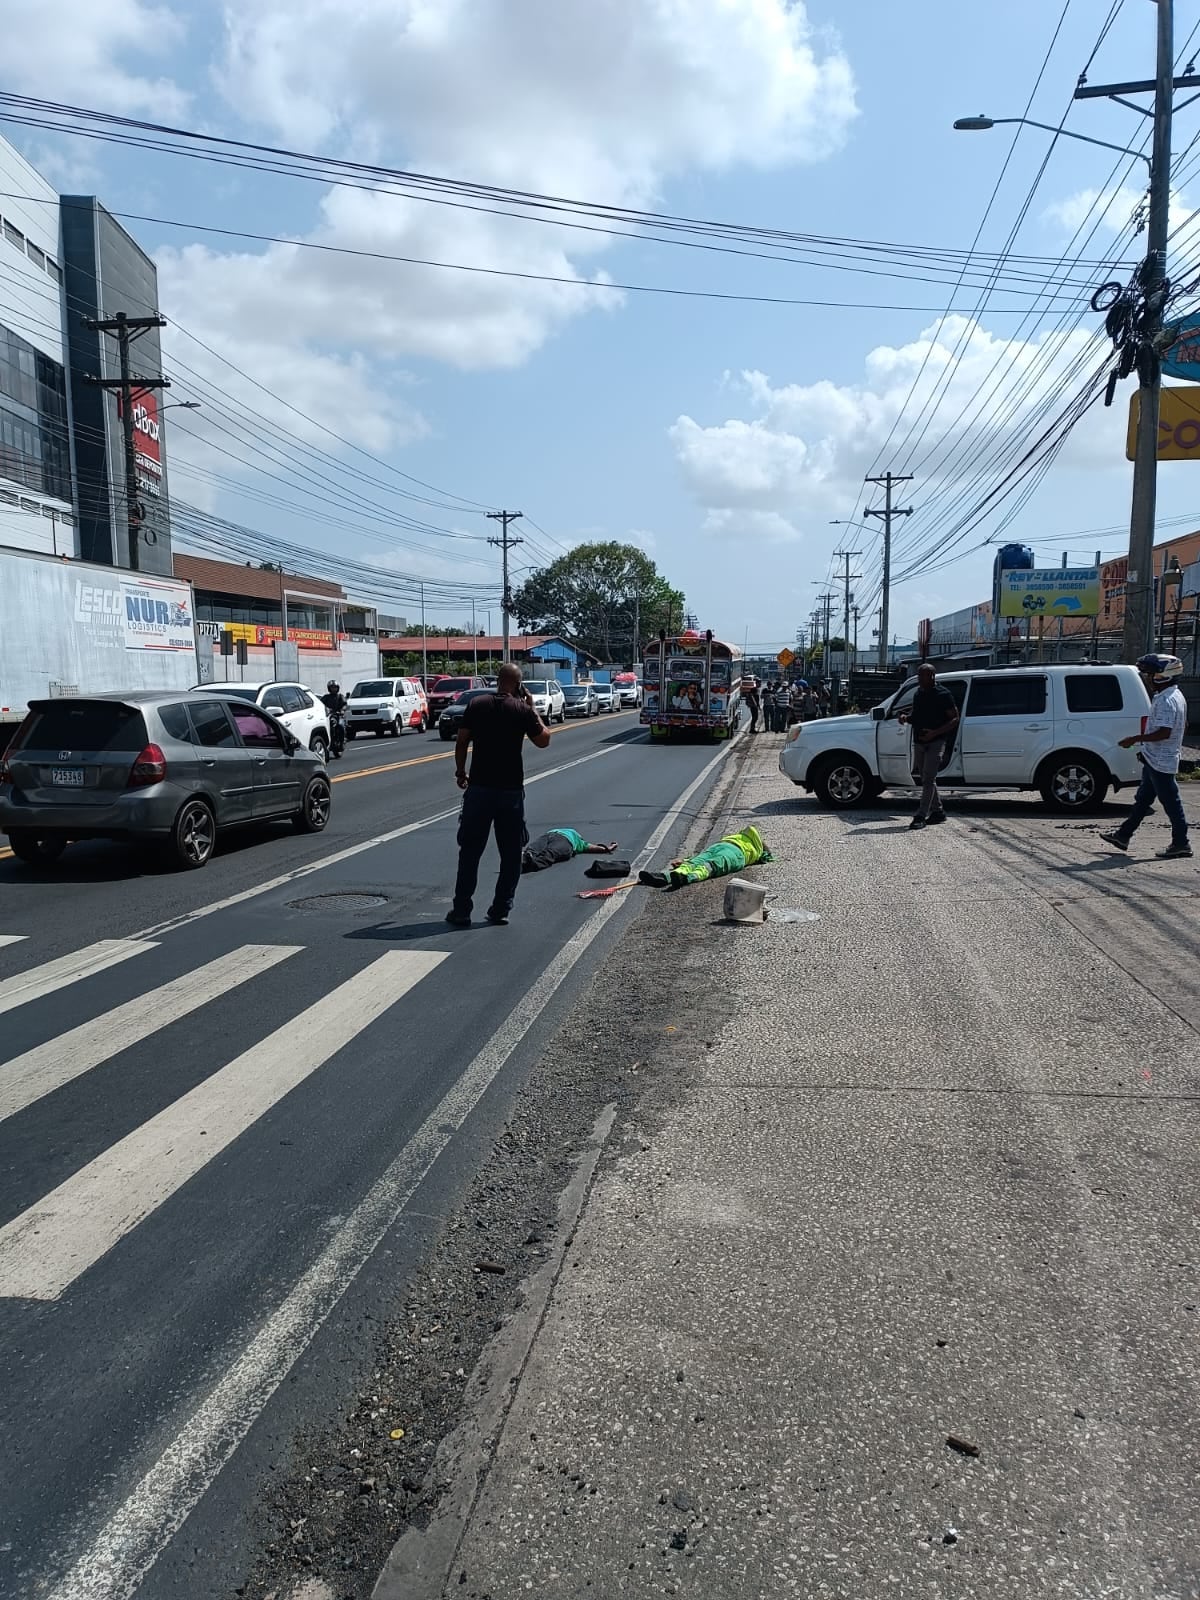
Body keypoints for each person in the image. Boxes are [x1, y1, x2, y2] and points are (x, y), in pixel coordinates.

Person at [447, 663, 552, 926]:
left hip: (479, 789)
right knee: (511, 853)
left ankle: (461, 910)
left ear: (497, 681)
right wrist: (532, 707)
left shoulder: (477, 704)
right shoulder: (522, 709)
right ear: (518, 685)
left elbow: (462, 740)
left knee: (470, 852)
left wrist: (461, 771)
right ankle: (501, 908)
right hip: (510, 792)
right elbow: (544, 740)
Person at [1100, 653, 1192, 860]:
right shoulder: (1173, 696)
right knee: (1142, 800)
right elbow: (1182, 726)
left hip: (1161, 762)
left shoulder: (1167, 700)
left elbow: (1164, 732)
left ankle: (1181, 843)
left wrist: (1134, 739)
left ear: (1163, 676)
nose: (1148, 679)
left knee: (1172, 803)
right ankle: (1123, 836)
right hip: (1155, 758)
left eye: (1151, 675)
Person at [898, 663, 960, 830]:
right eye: (918, 675)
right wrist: (906, 718)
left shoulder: (943, 694)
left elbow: (955, 719)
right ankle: (938, 811)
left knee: (928, 779)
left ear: (931, 676)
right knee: (926, 779)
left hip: (936, 741)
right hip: (919, 741)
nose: (919, 679)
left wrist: (934, 733)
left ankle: (920, 815)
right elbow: (917, 715)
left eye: (922, 676)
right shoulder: (919, 693)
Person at [522, 828, 619, 872]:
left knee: (550, 853)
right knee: (532, 849)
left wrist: (607, 848)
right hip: (549, 835)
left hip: (567, 842)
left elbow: (591, 847)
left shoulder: (580, 842)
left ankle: (530, 864)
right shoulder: (563, 831)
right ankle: (523, 859)